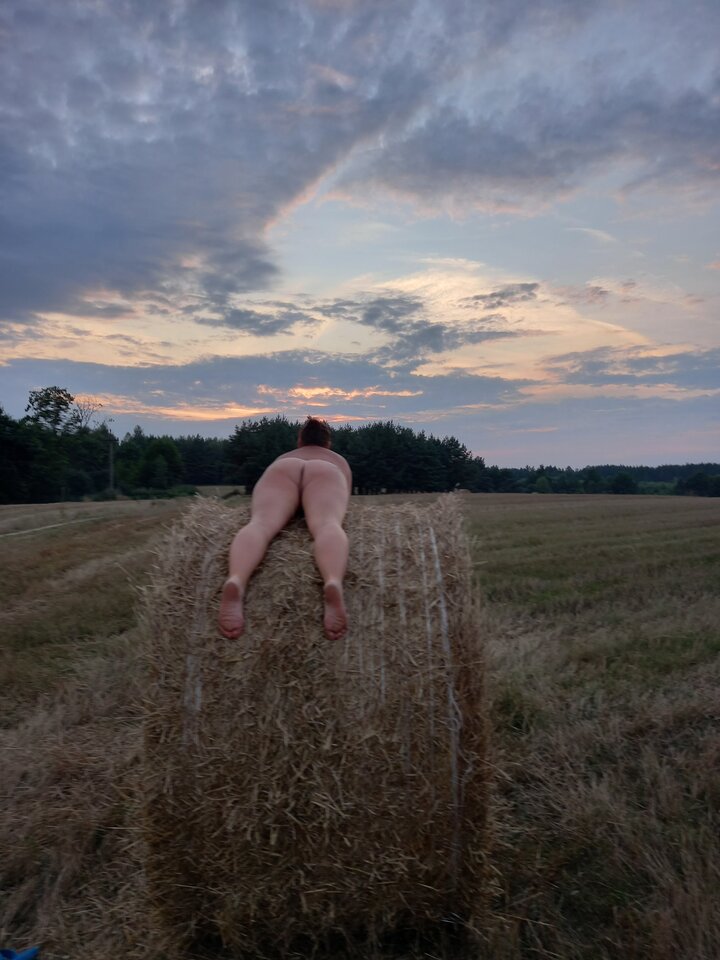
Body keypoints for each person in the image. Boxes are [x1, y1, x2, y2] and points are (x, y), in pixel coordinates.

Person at [218, 417, 352, 642]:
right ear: (328, 443)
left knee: (259, 524)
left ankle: (237, 580)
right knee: (328, 524)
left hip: (282, 470)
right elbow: (345, 496)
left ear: (299, 441)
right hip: (326, 472)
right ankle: (332, 581)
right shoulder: (337, 460)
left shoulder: (284, 457)